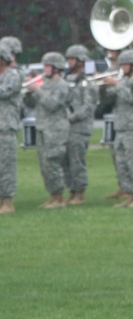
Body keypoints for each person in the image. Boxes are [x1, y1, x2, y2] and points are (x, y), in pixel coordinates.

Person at [23, 53, 73, 208]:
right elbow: (33, 105)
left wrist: (37, 90)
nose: (45, 69)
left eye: (48, 66)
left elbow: (53, 104)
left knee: (53, 162)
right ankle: (52, 195)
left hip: (56, 129)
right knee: (44, 165)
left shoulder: (62, 85)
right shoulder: (44, 84)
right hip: (43, 127)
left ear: (56, 68)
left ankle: (58, 197)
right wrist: (29, 94)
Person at [103, 49, 133, 207]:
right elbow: (108, 98)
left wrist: (116, 83)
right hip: (121, 127)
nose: (121, 67)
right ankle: (130, 194)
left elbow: (131, 97)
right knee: (122, 164)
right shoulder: (124, 80)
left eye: (124, 64)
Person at [64, 43, 97, 205]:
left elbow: (88, 106)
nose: (69, 62)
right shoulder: (66, 78)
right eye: (68, 59)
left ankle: (79, 192)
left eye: (72, 59)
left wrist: (72, 117)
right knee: (66, 161)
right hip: (65, 128)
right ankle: (71, 190)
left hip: (80, 128)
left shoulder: (86, 81)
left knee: (77, 161)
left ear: (81, 60)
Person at [0, 42, 22, 214]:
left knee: (6, 165)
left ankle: (8, 201)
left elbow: (3, 92)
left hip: (6, 127)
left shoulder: (12, 76)